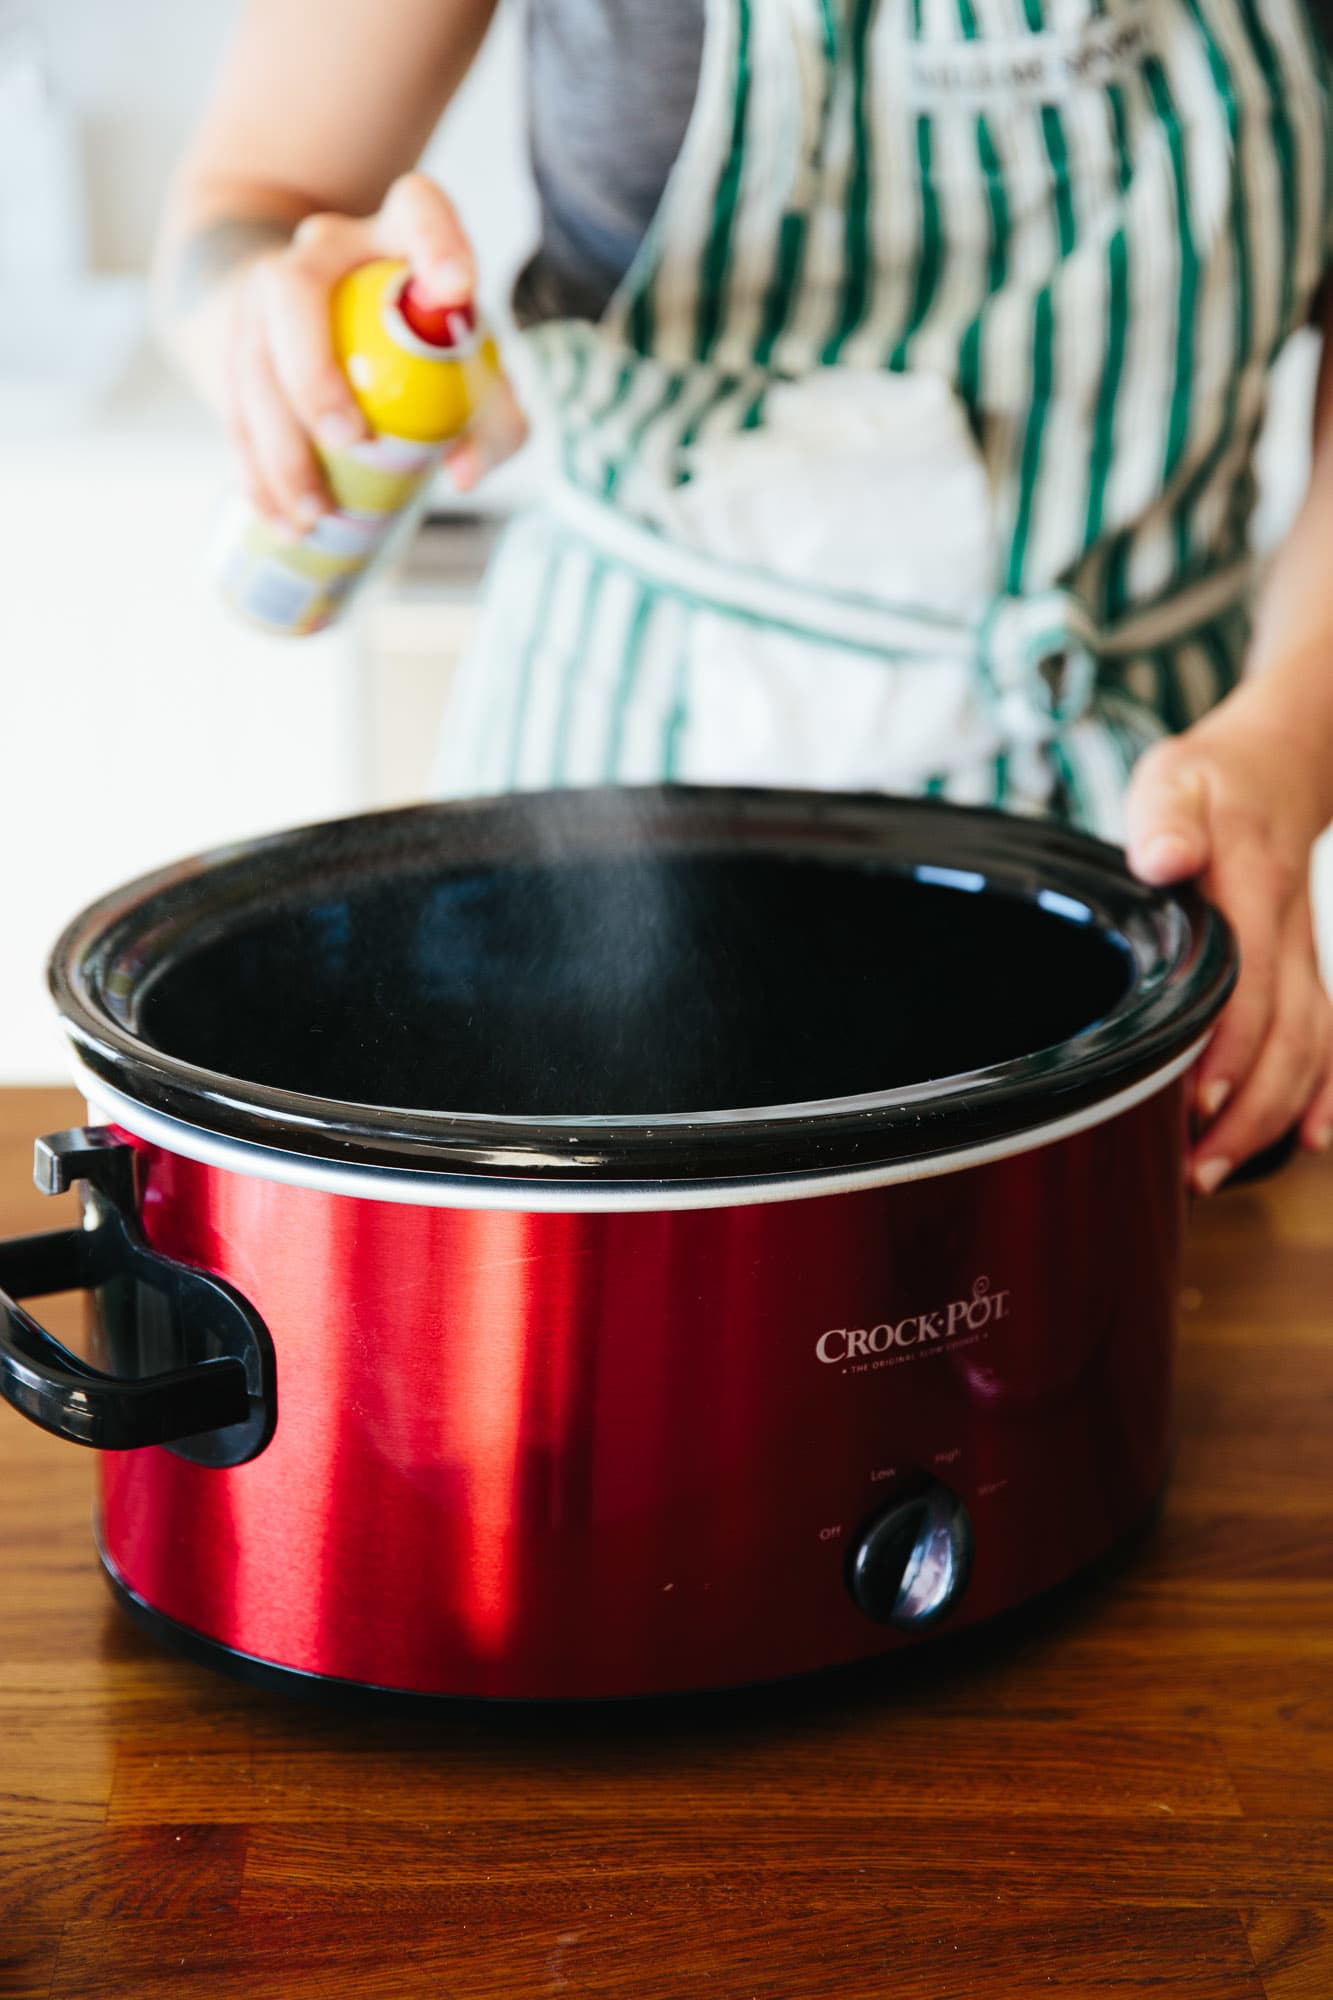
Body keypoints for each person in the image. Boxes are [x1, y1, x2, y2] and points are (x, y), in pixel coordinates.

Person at [155, 0, 1333, 1190]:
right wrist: (266, 312)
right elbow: (245, 200)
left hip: (1148, 822)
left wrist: (1289, 743)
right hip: (621, 781)